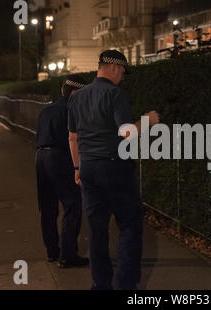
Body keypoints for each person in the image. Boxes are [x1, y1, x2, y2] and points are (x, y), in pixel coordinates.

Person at [68, 50, 159, 290]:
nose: (122, 78)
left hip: (88, 167)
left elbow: (73, 137)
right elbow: (126, 133)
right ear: (115, 68)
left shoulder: (77, 97)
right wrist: (149, 120)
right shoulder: (115, 94)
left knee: (97, 230)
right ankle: (126, 285)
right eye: (122, 73)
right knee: (129, 224)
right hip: (115, 167)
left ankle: (100, 285)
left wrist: (77, 167)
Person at [35, 74, 90, 268]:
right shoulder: (73, 111)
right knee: (72, 204)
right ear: (75, 92)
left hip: (41, 156)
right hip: (60, 157)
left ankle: (52, 251)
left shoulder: (46, 110)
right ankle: (68, 255)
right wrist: (78, 166)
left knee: (47, 207)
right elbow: (76, 140)